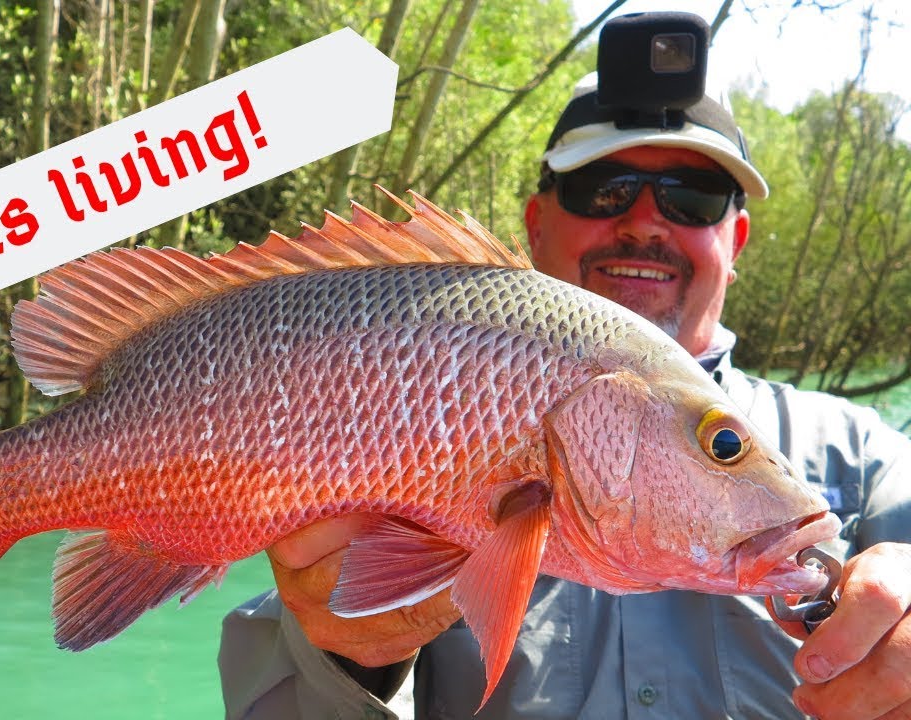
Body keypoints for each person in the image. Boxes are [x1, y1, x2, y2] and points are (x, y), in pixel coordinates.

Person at [218, 72, 911, 719]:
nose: (645, 221)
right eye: (603, 188)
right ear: (535, 221)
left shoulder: (874, 462)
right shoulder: (402, 368)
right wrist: (345, 655)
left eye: (692, 197)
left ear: (736, 239)